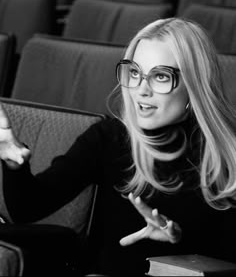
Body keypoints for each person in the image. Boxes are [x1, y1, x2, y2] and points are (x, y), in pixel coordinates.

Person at [0, 17, 236, 276]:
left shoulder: (227, 154)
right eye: (135, 72)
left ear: (195, 84)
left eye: (160, 76)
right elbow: (27, 209)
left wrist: (182, 241)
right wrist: (14, 162)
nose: (141, 89)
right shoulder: (110, 137)